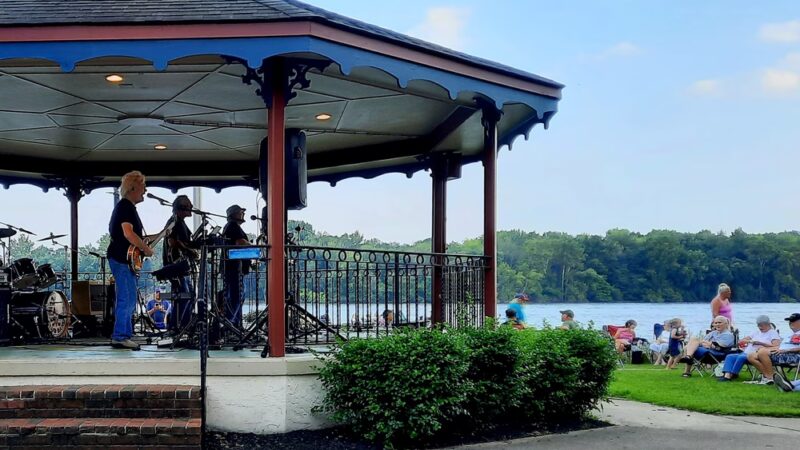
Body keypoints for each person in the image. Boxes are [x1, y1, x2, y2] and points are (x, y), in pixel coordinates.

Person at [106, 170, 153, 350]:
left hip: (123, 259)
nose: (145, 190)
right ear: (133, 188)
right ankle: (120, 336)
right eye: (143, 186)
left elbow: (133, 235)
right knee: (126, 298)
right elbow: (127, 233)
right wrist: (145, 248)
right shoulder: (125, 206)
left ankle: (124, 334)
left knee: (129, 297)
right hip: (121, 258)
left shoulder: (127, 207)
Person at [216, 204, 250, 341]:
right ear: (234, 214)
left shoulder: (231, 227)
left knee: (237, 296)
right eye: (240, 212)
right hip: (233, 267)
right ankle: (230, 325)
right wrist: (253, 247)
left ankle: (235, 324)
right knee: (236, 296)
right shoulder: (232, 227)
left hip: (234, 267)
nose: (243, 214)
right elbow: (240, 242)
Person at [717, 315, 781, 382]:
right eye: (758, 325)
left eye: (762, 325)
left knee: (741, 357)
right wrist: (750, 341)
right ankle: (727, 375)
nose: (760, 327)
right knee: (730, 356)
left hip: (757, 354)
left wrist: (761, 343)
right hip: (746, 352)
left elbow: (776, 346)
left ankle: (732, 375)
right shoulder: (755, 332)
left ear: (768, 324)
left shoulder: (773, 333)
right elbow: (742, 340)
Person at [747, 313, 800, 386]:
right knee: (751, 356)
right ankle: (769, 377)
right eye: (789, 321)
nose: (790, 323)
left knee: (762, 352)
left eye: (793, 321)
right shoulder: (789, 334)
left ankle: (771, 378)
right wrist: (768, 348)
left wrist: (786, 350)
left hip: (793, 355)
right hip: (781, 352)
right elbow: (781, 346)